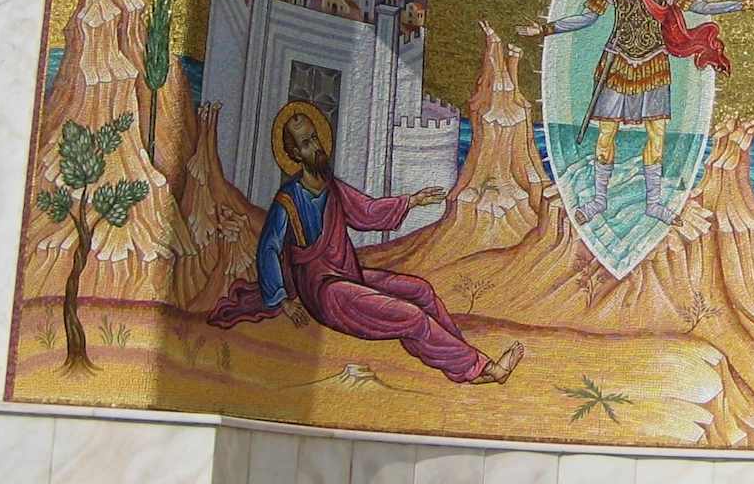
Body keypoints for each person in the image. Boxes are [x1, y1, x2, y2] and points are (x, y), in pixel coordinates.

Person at [209, 102, 521, 386]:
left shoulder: (331, 187)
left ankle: (463, 363)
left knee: (421, 290)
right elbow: (268, 248)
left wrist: (411, 201)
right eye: (305, 143)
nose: (315, 147)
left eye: (314, 139)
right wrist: (283, 301)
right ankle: (483, 369)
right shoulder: (288, 200)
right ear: (294, 154)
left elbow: (367, 212)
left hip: (349, 276)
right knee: (411, 317)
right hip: (327, 293)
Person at [519, 0, 754, 223]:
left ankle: (654, 204)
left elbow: (702, 7)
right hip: (617, 63)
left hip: (653, 65)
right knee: (606, 134)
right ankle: (599, 201)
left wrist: (746, 3)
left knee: (657, 135)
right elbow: (587, 17)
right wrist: (545, 29)